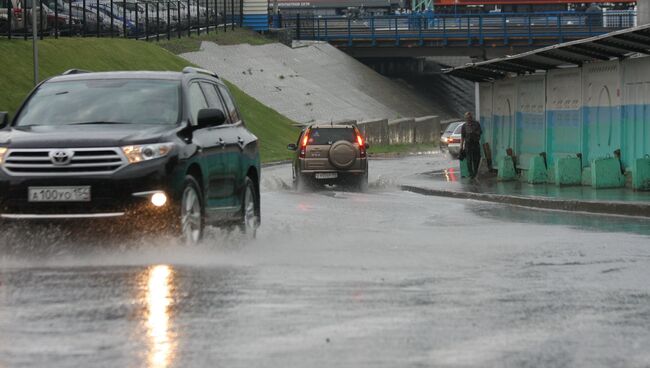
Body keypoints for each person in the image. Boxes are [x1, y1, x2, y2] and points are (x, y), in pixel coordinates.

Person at [460, 112, 482, 179]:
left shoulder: (476, 124)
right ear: (465, 118)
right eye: (467, 118)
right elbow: (462, 137)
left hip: (475, 143)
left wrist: (473, 133)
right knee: (469, 160)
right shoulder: (464, 126)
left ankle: (475, 172)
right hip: (468, 144)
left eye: (469, 117)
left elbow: (480, 133)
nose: (468, 119)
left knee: (476, 159)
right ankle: (471, 174)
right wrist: (461, 146)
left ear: (471, 118)